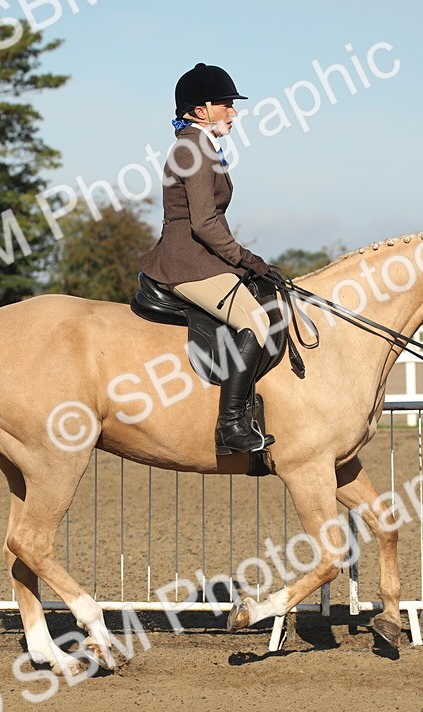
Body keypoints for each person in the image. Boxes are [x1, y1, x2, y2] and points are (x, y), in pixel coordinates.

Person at [139, 63, 275, 456]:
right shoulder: (193, 147)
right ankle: (230, 425)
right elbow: (205, 222)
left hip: (200, 257)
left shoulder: (200, 145)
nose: (233, 111)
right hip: (189, 262)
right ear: (201, 110)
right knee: (256, 320)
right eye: (225, 104)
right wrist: (245, 257)